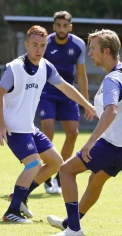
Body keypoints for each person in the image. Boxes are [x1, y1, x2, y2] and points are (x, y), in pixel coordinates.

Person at [46, 29, 122, 236]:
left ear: (106, 51)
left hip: (116, 144)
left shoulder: (112, 80)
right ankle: (71, 222)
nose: (89, 53)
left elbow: (111, 110)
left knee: (66, 170)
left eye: (93, 49)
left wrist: (90, 142)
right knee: (96, 179)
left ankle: (73, 230)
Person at [0, 25, 95, 224]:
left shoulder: (46, 66)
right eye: (34, 45)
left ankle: (19, 197)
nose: (38, 49)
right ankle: (12, 212)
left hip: (29, 127)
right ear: (26, 45)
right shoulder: (15, 67)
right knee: (33, 163)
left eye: (42, 45)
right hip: (14, 127)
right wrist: (1, 124)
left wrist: (86, 104)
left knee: (56, 162)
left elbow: (65, 87)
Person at [37, 11, 89, 194]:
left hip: (68, 93)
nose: (61, 29)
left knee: (73, 133)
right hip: (46, 92)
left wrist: (86, 102)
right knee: (48, 131)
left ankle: (60, 173)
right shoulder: (45, 43)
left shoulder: (78, 44)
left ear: (70, 27)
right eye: (58, 25)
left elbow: (81, 75)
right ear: (53, 26)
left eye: (65, 26)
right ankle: (47, 173)